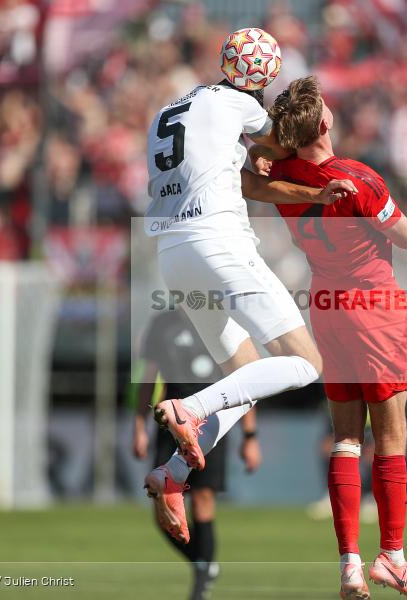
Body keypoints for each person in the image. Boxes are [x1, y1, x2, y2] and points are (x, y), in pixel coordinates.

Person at [142, 28, 357, 544]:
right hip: (219, 244)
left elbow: (247, 170)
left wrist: (266, 163)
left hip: (173, 256)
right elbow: (291, 140)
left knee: (246, 378)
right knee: (307, 362)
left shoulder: (171, 112)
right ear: (258, 82)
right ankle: (188, 409)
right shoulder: (237, 104)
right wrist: (309, 136)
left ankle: (171, 474)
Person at [262, 75, 407, 600]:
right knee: (390, 437)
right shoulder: (358, 178)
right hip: (373, 308)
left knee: (345, 437)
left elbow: (256, 167)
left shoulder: (284, 175)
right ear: (325, 122)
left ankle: (349, 566)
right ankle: (390, 555)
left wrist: (275, 145)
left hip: (325, 305)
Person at [133, 309, 262, 600]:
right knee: (161, 503)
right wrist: (139, 425)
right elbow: (148, 377)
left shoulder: (222, 321)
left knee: (203, 500)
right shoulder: (162, 324)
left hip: (211, 424)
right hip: (169, 422)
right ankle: (204, 564)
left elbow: (246, 382)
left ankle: (201, 584)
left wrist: (250, 437)